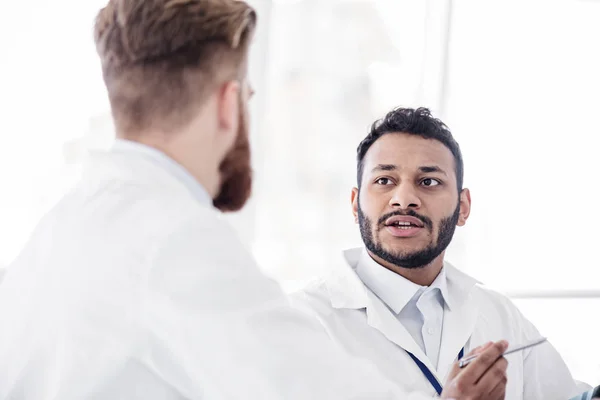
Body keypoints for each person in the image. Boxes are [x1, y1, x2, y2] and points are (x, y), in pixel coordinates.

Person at [0, 2, 510, 399]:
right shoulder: (172, 238)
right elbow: (299, 386)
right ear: (228, 103)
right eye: (247, 96)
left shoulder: (63, 227)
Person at [290, 107, 590, 399]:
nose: (404, 199)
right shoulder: (305, 322)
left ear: (463, 207)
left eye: (429, 182)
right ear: (356, 204)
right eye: (384, 181)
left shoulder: (498, 315)